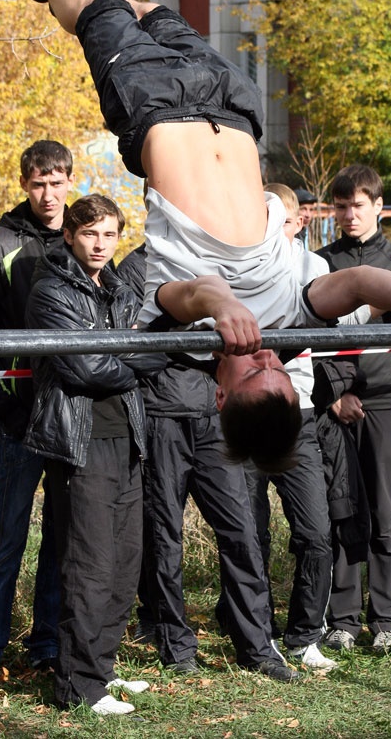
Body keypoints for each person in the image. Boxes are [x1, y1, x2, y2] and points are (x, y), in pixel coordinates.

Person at [16, 0, 391, 472]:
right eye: (279, 373)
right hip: (230, 107)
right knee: (156, 7)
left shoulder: (180, 336)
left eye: (252, 373)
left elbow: (192, 295)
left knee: (97, 11)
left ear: (220, 392)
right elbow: (362, 280)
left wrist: (224, 306)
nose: (266, 358)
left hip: (154, 108)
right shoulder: (294, 315)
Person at [117, 242, 300, 683]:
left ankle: (258, 647)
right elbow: (129, 342)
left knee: (242, 530)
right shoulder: (137, 266)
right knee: (164, 535)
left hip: (218, 417)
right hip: (162, 413)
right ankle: (175, 644)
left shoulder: (225, 261)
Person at [24, 195, 150, 714]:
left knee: (124, 563)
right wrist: (138, 361)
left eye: (109, 234)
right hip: (81, 445)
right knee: (89, 566)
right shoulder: (50, 290)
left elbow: (141, 351)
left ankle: (102, 669)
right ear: (71, 234)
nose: (101, 244)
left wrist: (130, 356)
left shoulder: (119, 289)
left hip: (128, 439)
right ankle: (77, 686)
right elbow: (85, 370)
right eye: (91, 233)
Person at [0, 140, 73, 686]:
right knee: (8, 535)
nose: (48, 194)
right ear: (25, 185)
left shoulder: (86, 237)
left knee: (62, 535)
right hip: (20, 418)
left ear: (70, 181)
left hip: (71, 414)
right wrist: (4, 409)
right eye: (38, 184)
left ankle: (48, 644)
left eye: (56, 182)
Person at [314, 164, 391, 651]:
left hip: (387, 398)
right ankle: (342, 618)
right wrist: (333, 396)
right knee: (342, 507)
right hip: (333, 400)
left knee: (386, 509)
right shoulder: (319, 263)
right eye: (340, 206)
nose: (348, 214)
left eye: (357, 205)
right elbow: (309, 337)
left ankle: (384, 618)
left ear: (379, 207)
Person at [238, 183, 336, 671]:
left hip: (297, 415)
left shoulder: (311, 268)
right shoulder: (232, 260)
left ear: (294, 223)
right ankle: (255, 637)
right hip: (244, 412)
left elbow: (351, 315)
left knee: (316, 531)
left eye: (277, 217)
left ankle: (304, 634)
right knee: (248, 534)